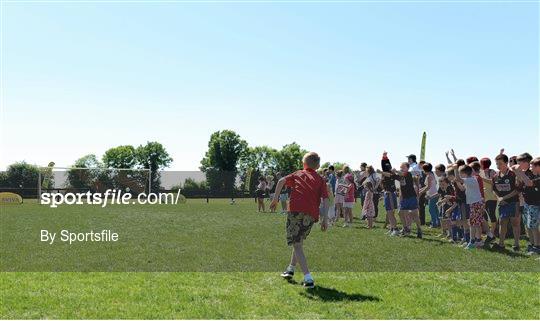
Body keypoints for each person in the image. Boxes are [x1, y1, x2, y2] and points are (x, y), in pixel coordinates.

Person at [271, 152, 329, 289]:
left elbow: (280, 181)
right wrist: (325, 218)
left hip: (296, 210)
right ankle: (290, 269)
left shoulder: (298, 173)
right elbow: (326, 199)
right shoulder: (321, 180)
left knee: (296, 244)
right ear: (318, 166)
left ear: (304, 164)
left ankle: (308, 278)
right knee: (299, 242)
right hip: (311, 214)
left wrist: (275, 199)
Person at [380, 162, 422, 238]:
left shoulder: (408, 174)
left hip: (412, 197)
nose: (401, 169)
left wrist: (395, 171)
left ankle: (419, 229)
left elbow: (402, 174)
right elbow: (389, 175)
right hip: (404, 198)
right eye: (400, 167)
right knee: (400, 213)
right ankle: (406, 229)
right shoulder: (399, 176)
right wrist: (381, 172)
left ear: (407, 168)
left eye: (403, 167)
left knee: (415, 215)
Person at [492, 154, 521, 252]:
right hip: (502, 204)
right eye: (496, 164)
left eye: (500, 163)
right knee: (502, 223)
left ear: (506, 163)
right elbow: (494, 190)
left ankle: (516, 244)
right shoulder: (495, 176)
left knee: (515, 223)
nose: (498, 166)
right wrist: (499, 198)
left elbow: (517, 190)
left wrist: (503, 198)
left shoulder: (513, 174)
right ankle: (501, 244)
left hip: (513, 202)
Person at [452, 164, 485, 249]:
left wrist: (455, 169)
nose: (459, 175)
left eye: (460, 173)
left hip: (476, 204)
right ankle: (479, 241)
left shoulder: (470, 180)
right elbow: (462, 188)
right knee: (476, 224)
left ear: (464, 174)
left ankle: (472, 242)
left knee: (472, 224)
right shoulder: (470, 180)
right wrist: (457, 181)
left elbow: (459, 179)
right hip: (475, 204)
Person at [512, 154, 540, 255]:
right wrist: (518, 176)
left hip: (535, 203)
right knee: (528, 225)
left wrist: (519, 172)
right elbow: (520, 187)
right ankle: (532, 245)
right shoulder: (526, 173)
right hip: (527, 202)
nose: (518, 165)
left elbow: (529, 183)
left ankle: (537, 246)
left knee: (533, 226)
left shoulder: (533, 174)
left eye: (520, 163)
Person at [380, 151, 399, 235]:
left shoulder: (390, 174)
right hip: (387, 194)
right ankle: (392, 228)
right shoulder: (386, 173)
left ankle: (395, 229)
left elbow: (388, 172)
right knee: (389, 212)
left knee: (391, 212)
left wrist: (385, 158)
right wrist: (384, 157)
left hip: (390, 194)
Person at [479, 157, 498, 237]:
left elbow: (494, 182)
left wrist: (483, 178)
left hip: (492, 196)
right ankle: (487, 231)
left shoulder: (492, 172)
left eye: (481, 163)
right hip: (484, 197)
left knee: (491, 214)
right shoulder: (480, 172)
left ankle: (493, 232)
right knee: (484, 215)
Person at [420, 163, 440, 228]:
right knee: (435, 209)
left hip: (432, 195)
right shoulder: (432, 174)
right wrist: (421, 190)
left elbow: (428, 187)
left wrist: (421, 192)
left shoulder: (429, 176)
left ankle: (434, 223)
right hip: (435, 193)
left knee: (431, 210)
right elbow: (430, 185)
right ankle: (438, 222)